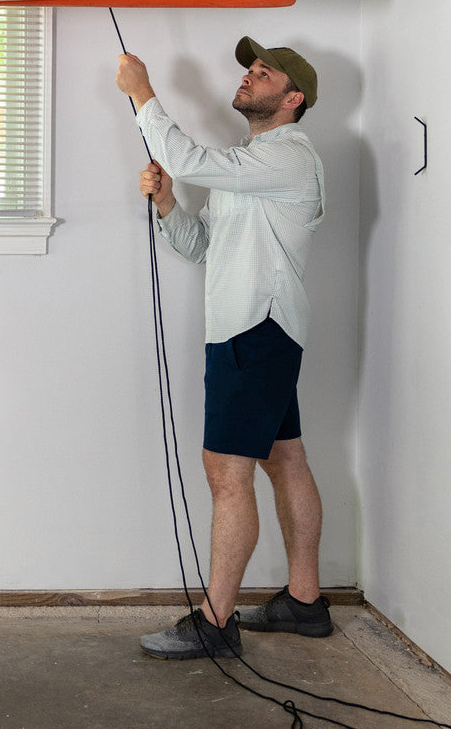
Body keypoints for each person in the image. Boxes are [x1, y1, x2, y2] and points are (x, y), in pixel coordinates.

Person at [114, 38, 330, 661]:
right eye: (249, 67)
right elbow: (199, 246)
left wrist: (142, 93)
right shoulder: (250, 164)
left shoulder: (290, 155)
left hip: (252, 333)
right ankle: (305, 603)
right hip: (258, 332)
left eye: (265, 73)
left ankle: (216, 620)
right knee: (284, 460)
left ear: (292, 100)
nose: (249, 76)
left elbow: (184, 153)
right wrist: (166, 204)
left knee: (226, 473)